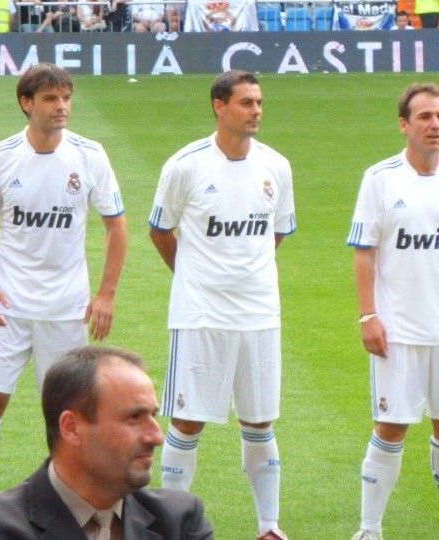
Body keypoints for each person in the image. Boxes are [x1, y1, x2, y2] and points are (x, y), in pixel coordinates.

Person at [0, 63, 128, 506]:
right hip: (8, 308)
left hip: (65, 309)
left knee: (68, 417)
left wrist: (106, 294)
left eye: (66, 98)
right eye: (51, 98)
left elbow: (116, 225)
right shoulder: (0, 157)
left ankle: (71, 510)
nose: (62, 107)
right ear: (26, 103)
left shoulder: (89, 155)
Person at [148, 70, 295, 540]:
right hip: (201, 316)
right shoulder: (185, 166)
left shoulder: (276, 166)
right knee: (187, 419)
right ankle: (171, 526)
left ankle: (269, 526)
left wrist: (245, 272)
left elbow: (277, 232)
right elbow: (160, 229)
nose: (256, 111)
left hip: (260, 314)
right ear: (219, 106)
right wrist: (193, 275)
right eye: (246, 103)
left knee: (260, 420)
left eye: (259, 102)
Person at [0, 345, 214, 539]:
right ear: (71, 428)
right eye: (134, 418)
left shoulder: (179, 520)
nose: (156, 436)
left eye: (153, 416)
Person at [347, 83, 439, 540]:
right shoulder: (380, 178)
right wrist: (368, 315)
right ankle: (369, 529)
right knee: (390, 426)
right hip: (398, 329)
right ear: (404, 125)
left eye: (438, 116)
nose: (435, 124)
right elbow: (363, 251)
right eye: (424, 116)